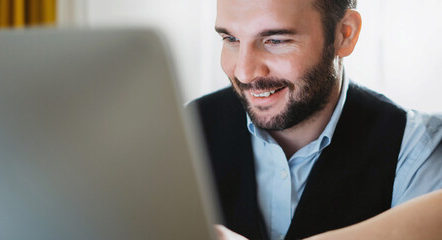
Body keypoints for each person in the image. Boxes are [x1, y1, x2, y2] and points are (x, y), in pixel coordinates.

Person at [188, 0, 442, 239]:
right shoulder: (183, 131)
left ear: (345, 34)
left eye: (275, 40)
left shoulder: (414, 148)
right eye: (230, 39)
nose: (244, 72)